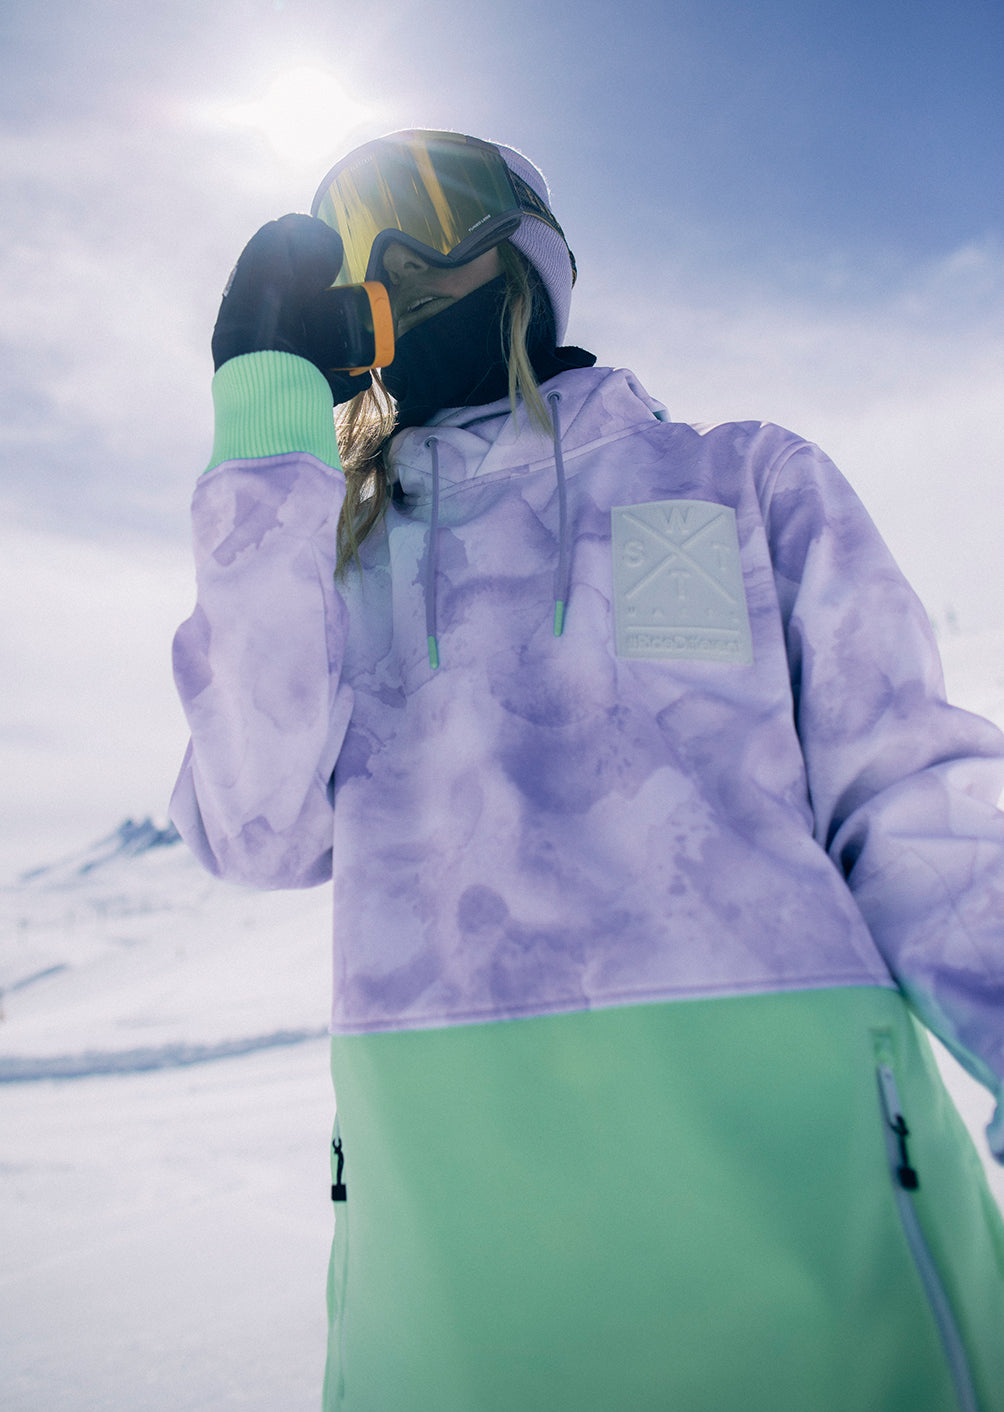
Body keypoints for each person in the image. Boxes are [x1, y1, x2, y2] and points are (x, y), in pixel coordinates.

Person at [170, 130, 1004, 1411]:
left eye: (423, 212)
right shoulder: (334, 565)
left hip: (814, 1241)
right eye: (351, 249)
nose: (390, 262)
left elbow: (907, 799)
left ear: (523, 251)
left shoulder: (733, 479)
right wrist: (264, 427)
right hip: (456, 1293)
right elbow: (253, 826)